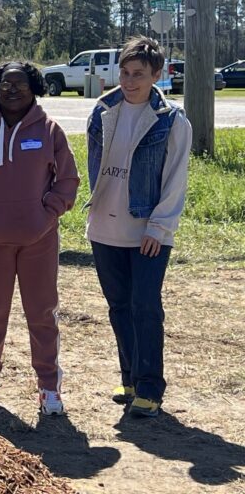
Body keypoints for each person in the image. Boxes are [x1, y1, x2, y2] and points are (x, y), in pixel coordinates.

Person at [0, 61, 80, 415]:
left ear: (34, 87)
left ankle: (49, 388)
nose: (12, 90)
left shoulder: (50, 130)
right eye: (6, 84)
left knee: (42, 314)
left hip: (40, 239)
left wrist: (48, 213)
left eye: (21, 84)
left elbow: (67, 179)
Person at [86, 36, 191, 418]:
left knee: (145, 307)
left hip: (147, 232)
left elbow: (176, 178)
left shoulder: (172, 120)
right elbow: (94, 168)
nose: (129, 82)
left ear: (157, 75)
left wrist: (159, 228)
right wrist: (92, 213)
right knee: (119, 307)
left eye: (139, 74)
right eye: (125, 73)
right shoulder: (102, 110)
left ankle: (149, 388)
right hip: (103, 228)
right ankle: (129, 378)